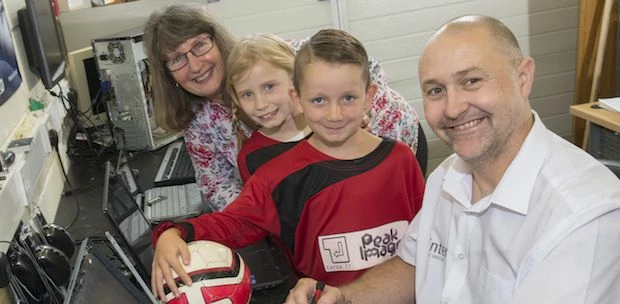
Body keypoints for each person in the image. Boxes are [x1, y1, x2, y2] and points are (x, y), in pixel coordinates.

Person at [285, 15, 620, 304]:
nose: (454, 107)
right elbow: (412, 267)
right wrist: (343, 297)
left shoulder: (586, 216)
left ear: (523, 77)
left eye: (471, 81)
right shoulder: (447, 176)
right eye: (435, 90)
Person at [150, 29, 425, 300]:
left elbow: (427, 237)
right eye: (318, 100)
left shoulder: (400, 160)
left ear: (369, 96)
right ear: (298, 99)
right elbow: (237, 222)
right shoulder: (275, 176)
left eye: (348, 98)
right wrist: (176, 232)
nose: (334, 113)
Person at [143, 3, 424, 212]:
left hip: (391, 143)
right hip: (324, 195)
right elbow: (216, 185)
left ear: (216, 39)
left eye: (200, 46)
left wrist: (360, 117)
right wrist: (262, 217)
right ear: (166, 74)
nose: (195, 64)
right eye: (177, 59)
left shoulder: (271, 58)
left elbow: (368, 67)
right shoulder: (197, 122)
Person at [226, 33, 310, 183]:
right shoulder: (251, 158)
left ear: (294, 78)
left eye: (269, 87)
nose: (260, 104)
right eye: (247, 94)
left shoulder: (329, 128)